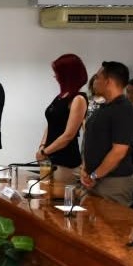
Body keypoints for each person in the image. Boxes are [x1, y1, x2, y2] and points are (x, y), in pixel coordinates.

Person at [80, 61, 133, 206]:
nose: (95, 81)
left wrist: (95, 175)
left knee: (111, 221)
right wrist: (86, 168)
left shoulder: (124, 109)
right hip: (94, 180)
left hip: (113, 183)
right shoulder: (105, 107)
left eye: (97, 77)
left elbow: (119, 151)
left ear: (108, 81)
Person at [35, 54, 88, 184]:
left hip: (65, 161)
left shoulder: (78, 99)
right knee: (44, 191)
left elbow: (68, 136)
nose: (55, 76)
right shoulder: (60, 97)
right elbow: (51, 123)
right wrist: (42, 146)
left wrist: (45, 151)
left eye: (58, 73)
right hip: (49, 158)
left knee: (58, 194)